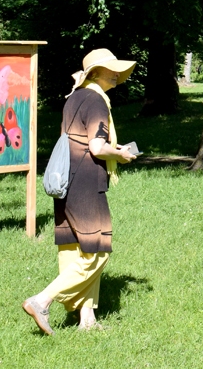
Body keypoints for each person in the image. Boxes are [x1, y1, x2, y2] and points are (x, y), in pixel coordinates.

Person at [23, 49, 137, 335]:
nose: (116, 73)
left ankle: (87, 320)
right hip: (86, 183)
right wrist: (120, 154)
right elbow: (97, 147)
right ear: (95, 73)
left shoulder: (74, 97)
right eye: (110, 69)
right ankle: (41, 300)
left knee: (74, 251)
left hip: (64, 182)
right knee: (97, 252)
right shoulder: (97, 101)